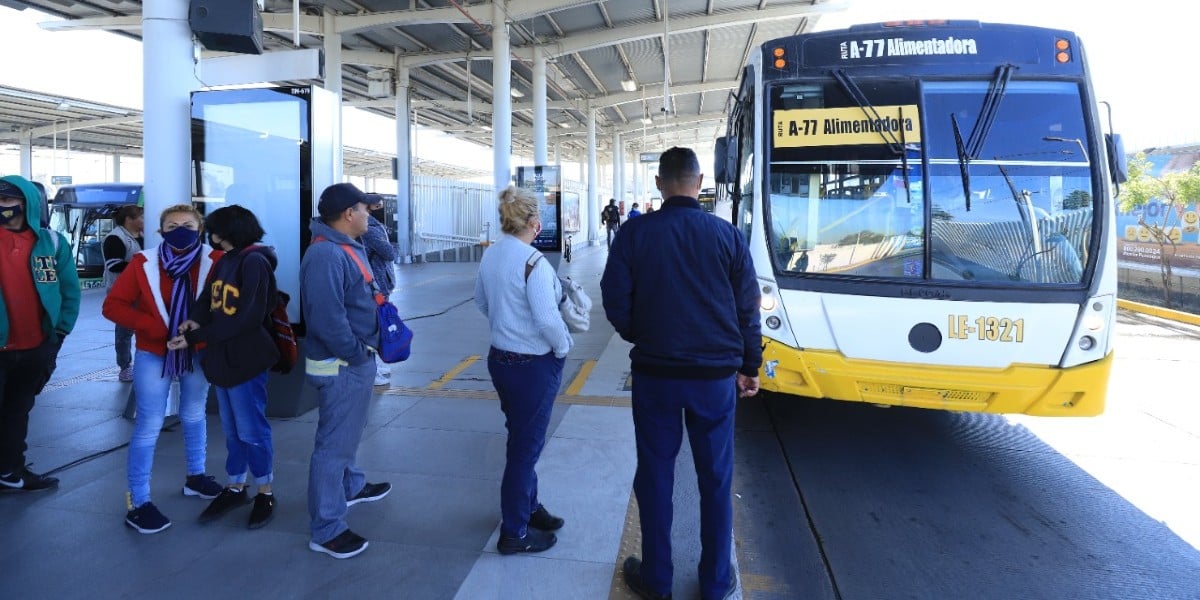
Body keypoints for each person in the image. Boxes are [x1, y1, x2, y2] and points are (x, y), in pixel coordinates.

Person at [601, 147, 762, 600]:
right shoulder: (727, 235)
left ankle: (657, 580)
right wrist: (749, 366)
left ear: (659, 182)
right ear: (699, 181)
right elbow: (748, 308)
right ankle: (714, 583)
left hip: (656, 377)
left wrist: (644, 333)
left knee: (655, 475)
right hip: (714, 381)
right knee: (716, 477)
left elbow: (614, 298)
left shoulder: (634, 234)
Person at [102, 204, 224, 533]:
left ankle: (196, 476)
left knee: (195, 412)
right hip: (153, 351)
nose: (180, 229)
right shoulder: (144, 263)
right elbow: (112, 305)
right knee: (149, 423)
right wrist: (156, 329)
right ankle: (138, 501)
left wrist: (194, 332)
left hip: (195, 350)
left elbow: (223, 306)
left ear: (200, 229)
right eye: (172, 225)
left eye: (187, 224)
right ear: (160, 231)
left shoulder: (216, 262)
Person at [168, 205, 280, 530]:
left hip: (246, 358)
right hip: (224, 357)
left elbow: (248, 317)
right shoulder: (226, 261)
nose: (209, 234)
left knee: (251, 429)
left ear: (227, 231)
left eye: (213, 229)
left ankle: (265, 490)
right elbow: (207, 298)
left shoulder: (255, 261)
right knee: (233, 430)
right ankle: (235, 485)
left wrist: (198, 336)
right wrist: (194, 320)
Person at [474, 185, 572, 556]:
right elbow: (548, 320)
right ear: (533, 222)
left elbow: (482, 302)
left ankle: (529, 506)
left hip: (501, 360)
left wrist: (507, 324)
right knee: (524, 450)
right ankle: (514, 531)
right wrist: (562, 348)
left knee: (520, 438)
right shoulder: (534, 262)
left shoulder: (492, 255)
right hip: (533, 365)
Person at [301, 183, 393, 559]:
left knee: (347, 432)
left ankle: (351, 486)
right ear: (347, 214)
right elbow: (327, 318)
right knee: (333, 445)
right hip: (342, 365)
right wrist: (357, 354)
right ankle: (326, 527)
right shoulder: (326, 255)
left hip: (352, 361)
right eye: (364, 209)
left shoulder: (343, 246)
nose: (369, 216)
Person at [0, 175, 79, 492]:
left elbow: (70, 291)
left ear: (28, 203)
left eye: (8, 201)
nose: (3, 207)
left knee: (17, 413)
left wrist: (58, 334)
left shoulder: (53, 242)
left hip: (37, 347)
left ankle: (9, 471)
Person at [103, 205, 144, 382]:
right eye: (141, 217)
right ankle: (125, 366)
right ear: (129, 219)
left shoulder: (143, 236)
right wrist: (142, 266)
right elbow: (113, 265)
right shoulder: (115, 238)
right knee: (124, 332)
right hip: (123, 293)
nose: (145, 220)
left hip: (142, 290)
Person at [363, 194, 397, 387]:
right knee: (374, 326)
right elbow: (389, 253)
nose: (383, 209)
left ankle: (377, 363)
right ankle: (373, 368)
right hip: (376, 285)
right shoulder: (370, 229)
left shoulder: (375, 226)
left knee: (379, 324)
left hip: (382, 283)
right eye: (379, 206)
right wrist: (395, 246)